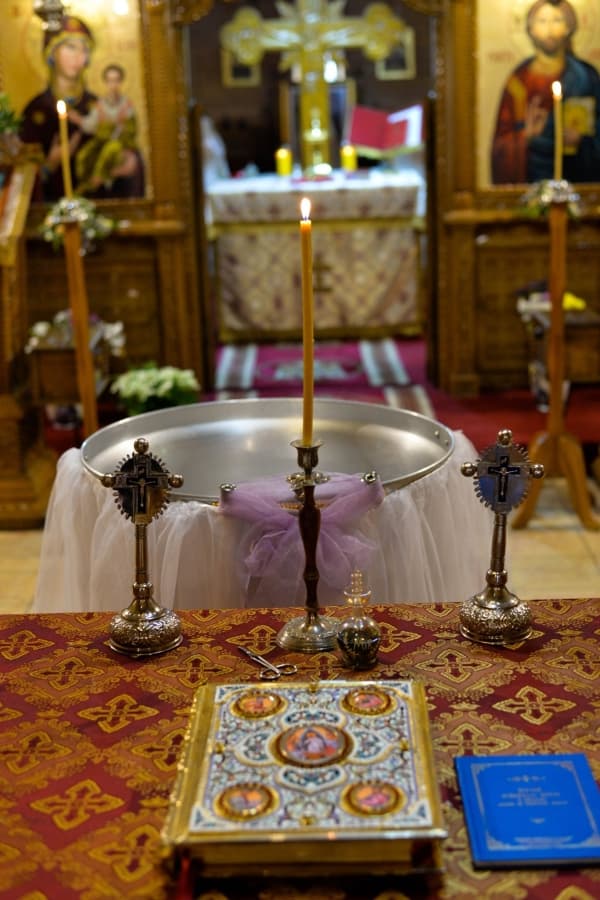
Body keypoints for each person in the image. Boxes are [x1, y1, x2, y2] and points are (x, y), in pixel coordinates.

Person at [20, 15, 143, 201]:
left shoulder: (98, 106)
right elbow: (18, 181)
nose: (78, 56)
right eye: (70, 47)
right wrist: (50, 164)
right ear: (52, 52)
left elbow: (125, 152)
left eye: (84, 49)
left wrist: (126, 165)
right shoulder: (35, 111)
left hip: (97, 206)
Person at [491, 0, 600, 184]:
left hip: (578, 179)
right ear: (531, 29)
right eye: (542, 21)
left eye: (557, 20)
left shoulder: (586, 77)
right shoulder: (518, 82)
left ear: (569, 27)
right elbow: (500, 147)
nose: (549, 28)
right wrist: (526, 136)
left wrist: (582, 140)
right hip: (533, 180)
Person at [68, 64, 140, 195]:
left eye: (116, 80)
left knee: (109, 150)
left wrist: (121, 133)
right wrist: (78, 119)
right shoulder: (100, 104)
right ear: (105, 82)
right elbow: (91, 125)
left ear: (121, 82)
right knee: (84, 155)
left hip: (120, 143)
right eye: (110, 80)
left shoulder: (126, 105)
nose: (113, 84)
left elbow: (131, 129)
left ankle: (97, 180)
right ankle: (84, 184)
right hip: (101, 141)